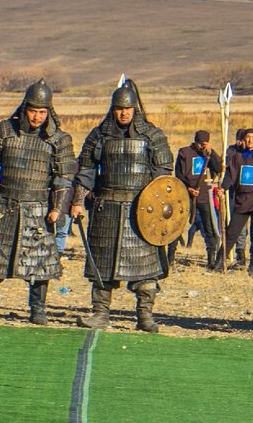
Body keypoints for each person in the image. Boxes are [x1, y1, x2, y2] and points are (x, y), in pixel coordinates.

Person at [0, 81, 77, 324]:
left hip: (38, 207)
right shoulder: (4, 131)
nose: (37, 117)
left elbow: (63, 177)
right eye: (33, 110)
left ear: (48, 111)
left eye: (42, 112)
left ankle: (38, 309)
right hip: (4, 204)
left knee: (40, 263)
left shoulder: (58, 139)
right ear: (24, 107)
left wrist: (57, 207)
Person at [71, 80, 172, 332]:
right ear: (112, 109)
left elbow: (164, 177)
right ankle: (100, 313)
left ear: (135, 109)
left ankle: (145, 316)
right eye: (118, 108)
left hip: (142, 212)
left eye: (127, 108)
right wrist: (77, 201)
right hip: (106, 209)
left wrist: (159, 212)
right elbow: (85, 171)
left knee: (146, 268)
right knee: (102, 267)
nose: (123, 112)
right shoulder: (99, 136)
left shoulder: (153, 136)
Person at [222, 127, 253, 274]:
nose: (250, 140)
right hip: (241, 200)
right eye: (247, 137)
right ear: (243, 140)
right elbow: (230, 176)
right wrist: (222, 188)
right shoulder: (237, 157)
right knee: (232, 232)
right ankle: (221, 261)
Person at [174, 130, 222, 269]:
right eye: (200, 144)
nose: (202, 147)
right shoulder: (184, 153)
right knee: (177, 224)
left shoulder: (210, 154)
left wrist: (211, 152)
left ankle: (211, 259)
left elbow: (218, 168)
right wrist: (188, 187)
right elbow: (179, 174)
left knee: (209, 228)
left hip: (204, 196)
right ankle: (170, 257)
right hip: (186, 194)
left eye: (205, 144)